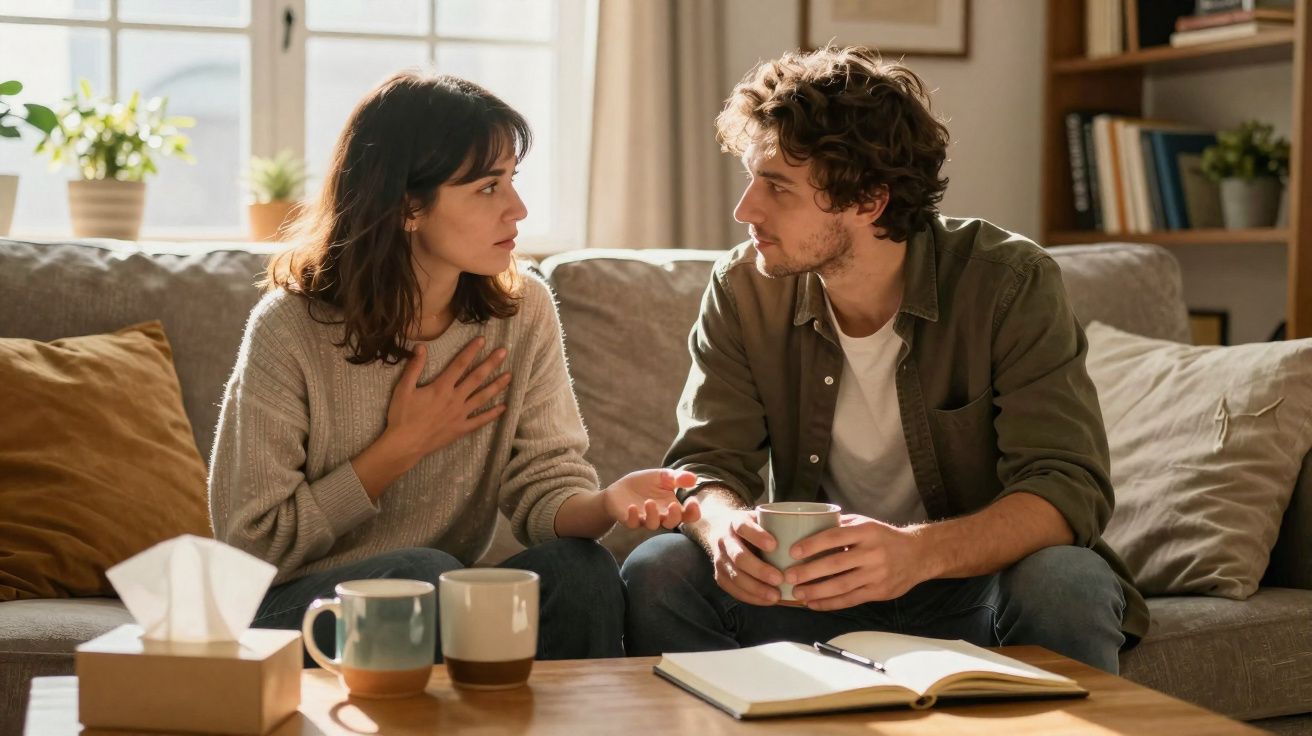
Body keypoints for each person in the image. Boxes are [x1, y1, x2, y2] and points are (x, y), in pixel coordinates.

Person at [621, 46, 1145, 673]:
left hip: (972, 588)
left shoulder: (1009, 283)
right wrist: (724, 528)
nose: (745, 210)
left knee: (1067, 580)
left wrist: (915, 554)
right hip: (805, 593)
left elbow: (1067, 487)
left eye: (778, 187)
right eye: (751, 179)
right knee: (659, 569)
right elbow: (705, 465)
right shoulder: (742, 289)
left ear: (869, 200)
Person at [209, 70, 699, 663]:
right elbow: (253, 545)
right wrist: (400, 447)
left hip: (437, 593)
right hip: (297, 611)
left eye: (512, 181)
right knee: (424, 576)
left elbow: (544, 486)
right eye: (488, 188)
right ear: (408, 205)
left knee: (581, 570)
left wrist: (607, 503)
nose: (517, 209)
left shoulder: (521, 312)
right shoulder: (289, 328)